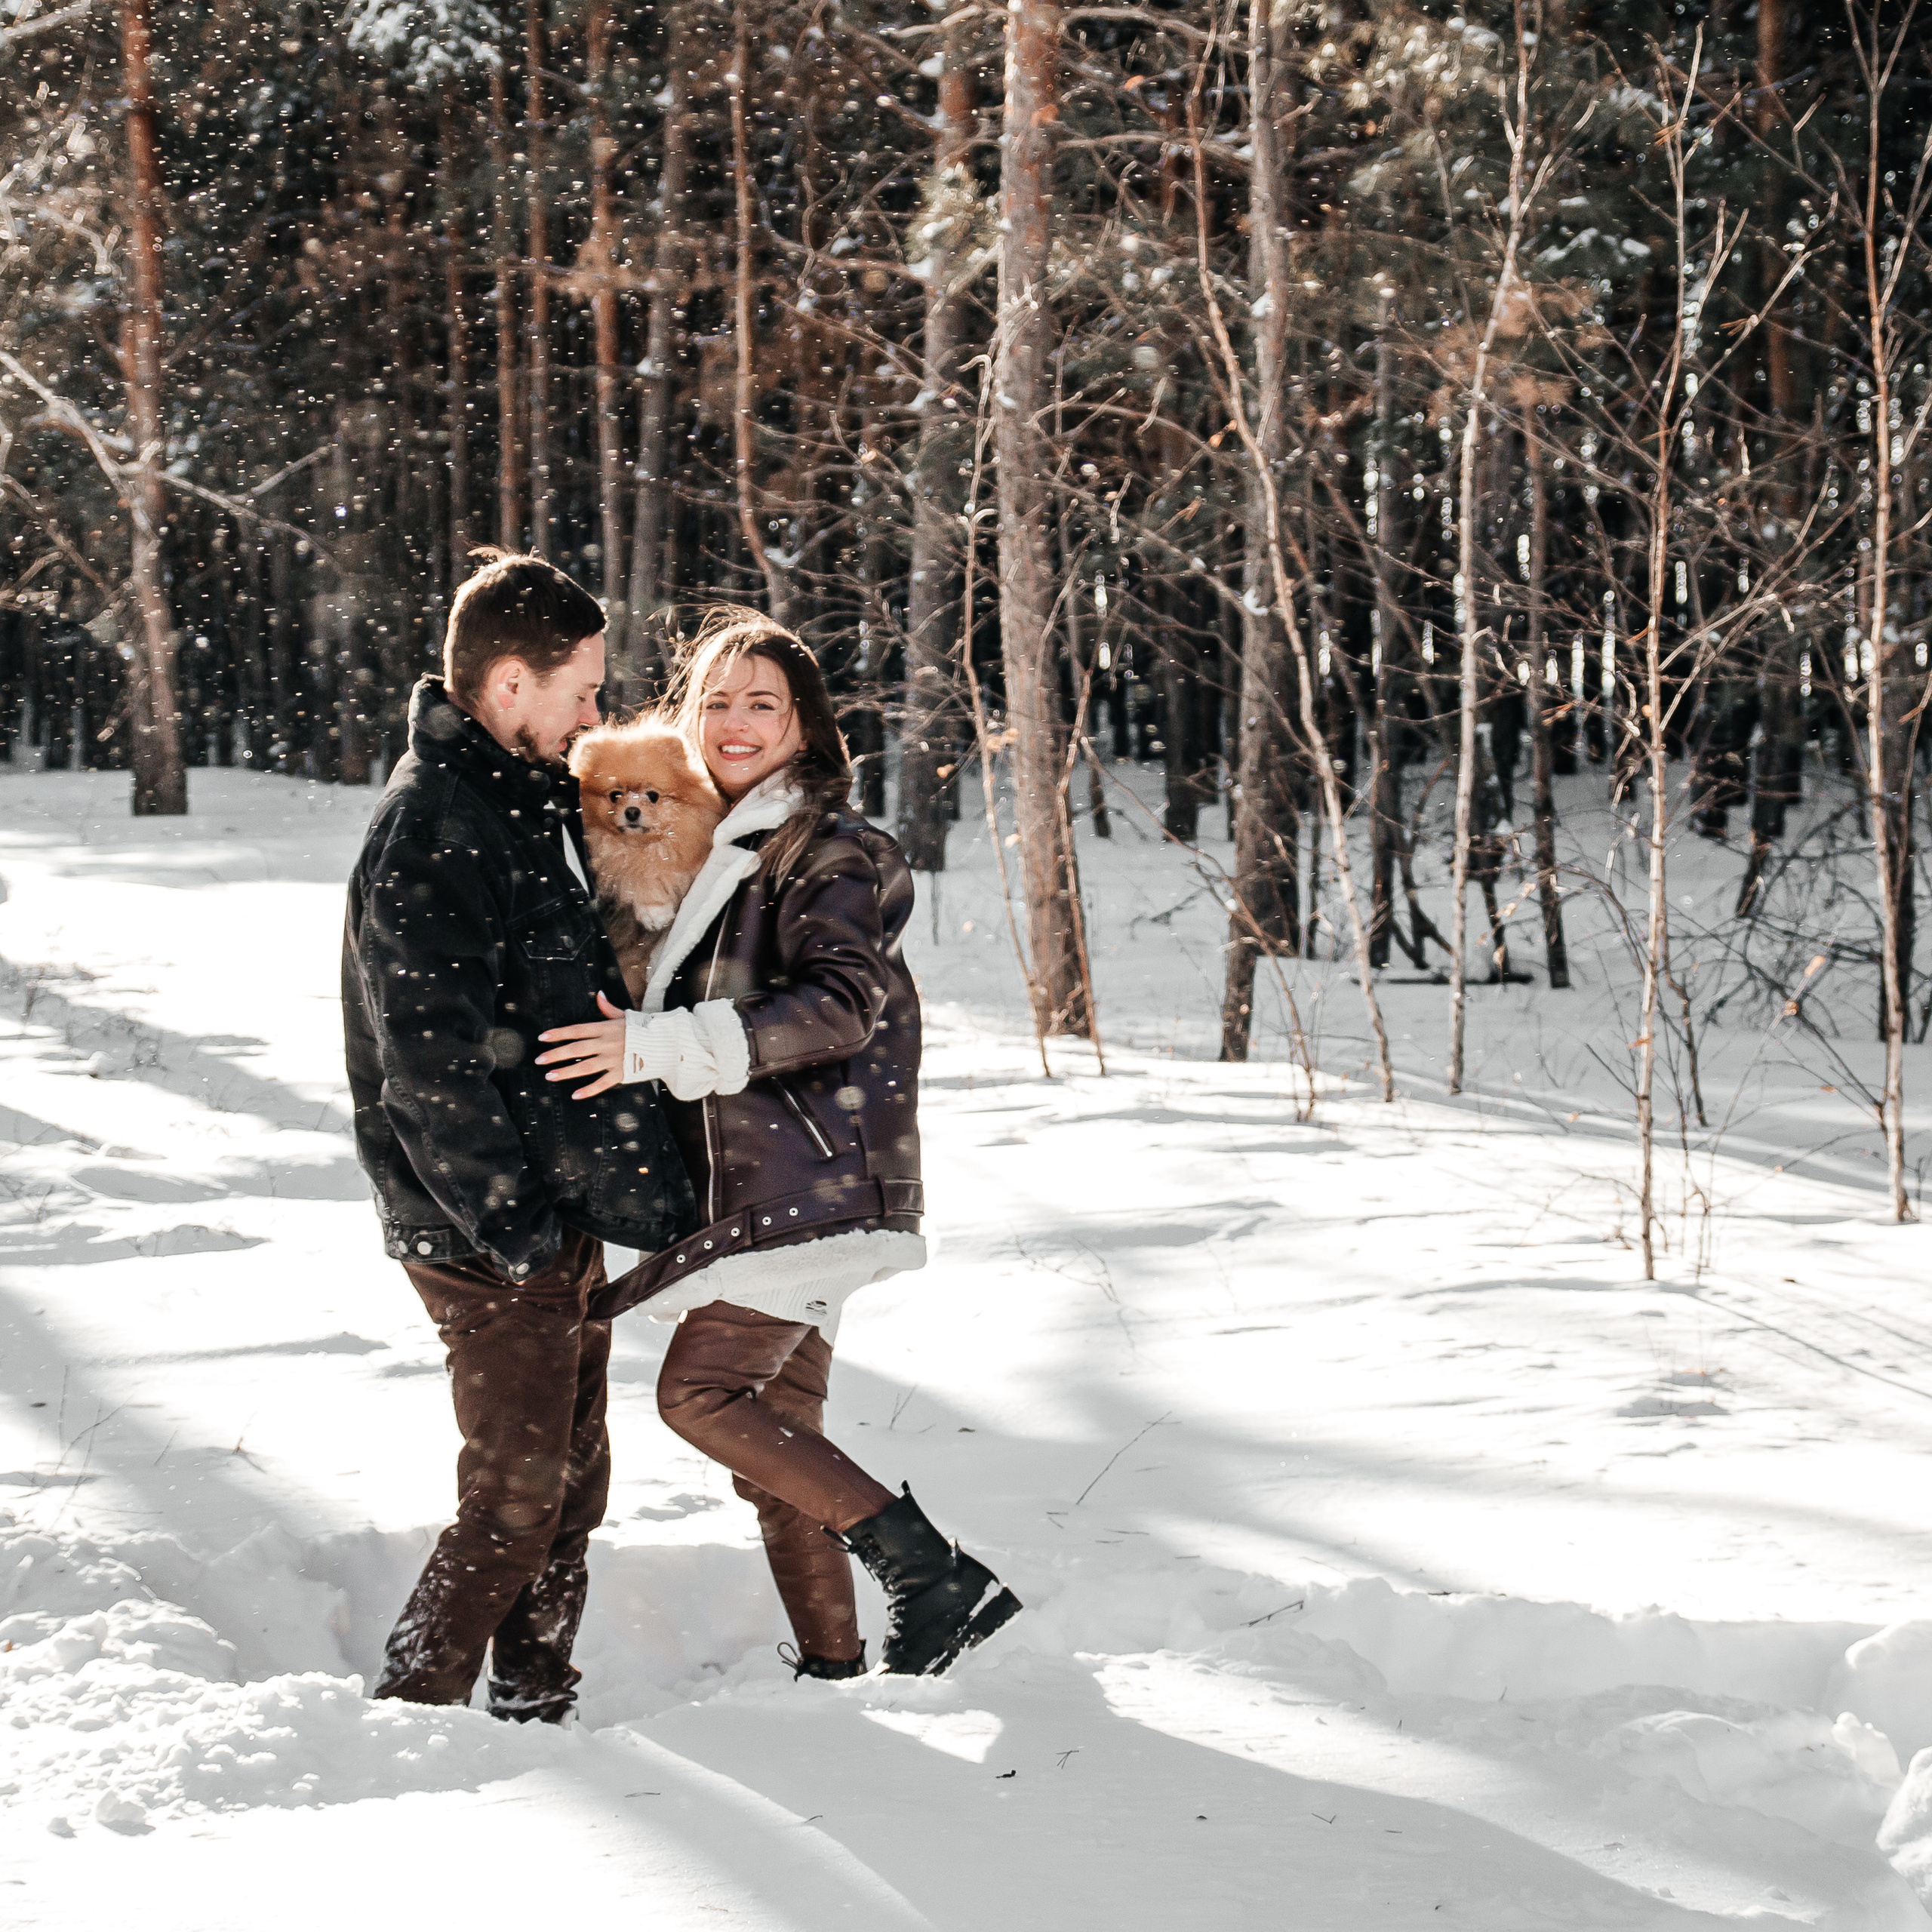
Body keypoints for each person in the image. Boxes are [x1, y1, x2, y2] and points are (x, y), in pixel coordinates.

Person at [536, 608, 1020, 1679]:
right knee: (778, 1441)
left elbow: (838, 1008)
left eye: (764, 703)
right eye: (716, 701)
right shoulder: (724, 845)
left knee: (699, 1398)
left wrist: (654, 1044)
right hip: (781, 1185)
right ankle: (838, 1667)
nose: (736, 722)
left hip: (809, 1185)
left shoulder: (834, 849)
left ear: (805, 725)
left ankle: (934, 1572)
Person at [342, 549, 694, 1724]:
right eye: (583, 688)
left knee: (572, 1487)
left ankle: (536, 1705)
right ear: (507, 685)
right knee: (514, 1499)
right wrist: (522, 1235)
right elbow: (427, 1071)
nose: (598, 712)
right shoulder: (434, 828)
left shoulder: (525, 798)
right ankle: (410, 1718)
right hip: (481, 1232)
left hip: (551, 1212)